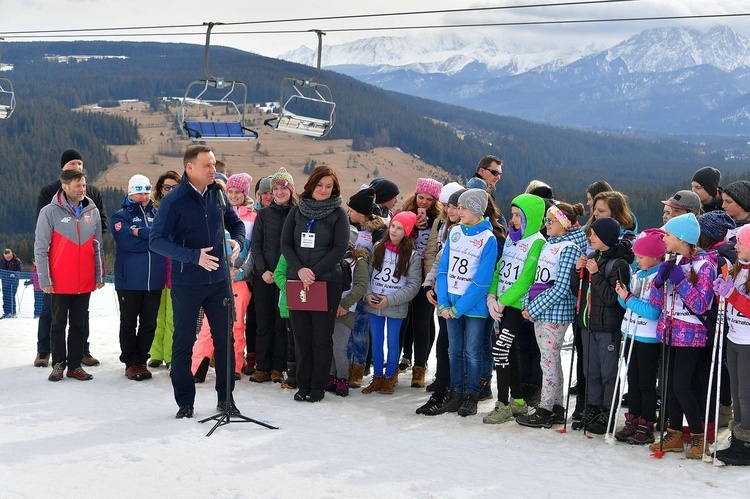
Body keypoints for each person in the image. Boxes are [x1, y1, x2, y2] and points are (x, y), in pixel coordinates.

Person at [150, 145, 245, 419]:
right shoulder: (173, 200)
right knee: (183, 341)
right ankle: (185, 402)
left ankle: (226, 400)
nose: (213, 170)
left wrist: (237, 242)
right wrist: (193, 257)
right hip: (187, 282)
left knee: (224, 340)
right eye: (207, 166)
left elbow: (236, 225)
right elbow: (156, 240)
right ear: (189, 168)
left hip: (219, 282)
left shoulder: (218, 194)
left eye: (214, 164)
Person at [648, 213, 716, 459]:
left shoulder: (704, 265)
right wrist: (657, 282)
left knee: (682, 386)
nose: (663, 238)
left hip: (690, 334)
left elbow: (701, 304)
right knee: (668, 385)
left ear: (682, 238)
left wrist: (680, 282)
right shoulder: (671, 259)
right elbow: (656, 303)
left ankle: (698, 436)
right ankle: (674, 431)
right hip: (668, 330)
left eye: (668, 234)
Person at [281, 165, 349, 403]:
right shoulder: (297, 212)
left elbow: (340, 248)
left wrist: (314, 272)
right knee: (301, 336)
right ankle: (303, 384)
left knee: (321, 337)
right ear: (311, 185)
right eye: (320, 185)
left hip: (326, 282)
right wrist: (300, 270)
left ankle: (318, 386)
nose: (323, 190)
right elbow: (286, 244)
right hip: (298, 281)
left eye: (329, 186)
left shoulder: (339, 214)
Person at [516, 202, 587, 428]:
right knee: (548, 361)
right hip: (541, 311)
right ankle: (555, 406)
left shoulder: (569, 248)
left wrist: (534, 309)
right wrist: (528, 304)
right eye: (545, 220)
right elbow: (536, 279)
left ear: (564, 224)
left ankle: (546, 408)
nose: (546, 224)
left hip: (555, 313)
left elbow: (562, 287)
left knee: (548, 362)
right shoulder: (549, 244)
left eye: (550, 221)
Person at [35, 148, 107, 368]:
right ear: (63, 170)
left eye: (80, 163)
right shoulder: (49, 193)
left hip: (82, 268)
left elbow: (99, 225)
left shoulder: (92, 194)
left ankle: (81, 353)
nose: (77, 167)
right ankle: (44, 351)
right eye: (72, 164)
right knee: (52, 314)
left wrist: (86, 244)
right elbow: (43, 234)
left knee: (79, 317)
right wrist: (45, 275)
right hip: (59, 269)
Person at [484, 193, 546, 424]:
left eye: (519, 215)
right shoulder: (511, 238)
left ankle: (503, 403)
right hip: (502, 303)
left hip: (517, 305)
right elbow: (500, 268)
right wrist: (492, 295)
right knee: (508, 351)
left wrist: (502, 301)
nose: (513, 219)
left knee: (500, 350)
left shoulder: (537, 242)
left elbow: (526, 280)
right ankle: (518, 401)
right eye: (512, 214)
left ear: (530, 217)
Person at [436, 189, 498, 417]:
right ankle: (457, 393)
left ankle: (472, 394)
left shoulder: (488, 239)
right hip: (449, 304)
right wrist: (443, 303)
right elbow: (443, 269)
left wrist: (457, 308)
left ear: (476, 209)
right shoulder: (454, 232)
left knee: (472, 351)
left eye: (463, 207)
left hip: (473, 307)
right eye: (458, 207)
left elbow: (482, 281)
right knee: (455, 351)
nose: (458, 211)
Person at [571, 217, 634, 434]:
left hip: (608, 328)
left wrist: (595, 274)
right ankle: (593, 407)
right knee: (591, 372)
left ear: (607, 237)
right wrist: (576, 271)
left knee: (608, 373)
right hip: (588, 324)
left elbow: (611, 298)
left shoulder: (619, 264)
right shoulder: (591, 257)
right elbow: (576, 291)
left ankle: (608, 409)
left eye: (595, 235)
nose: (591, 237)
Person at [192, 173, 254, 382]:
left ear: (245, 194)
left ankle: (234, 366)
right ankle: (198, 366)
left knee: (236, 325)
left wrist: (241, 271)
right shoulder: (215, 212)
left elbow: (254, 249)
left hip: (240, 278)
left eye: (238, 192)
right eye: (230, 192)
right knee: (209, 324)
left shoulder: (253, 217)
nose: (234, 195)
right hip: (216, 276)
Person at [613, 228, 666, 444]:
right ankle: (632, 419)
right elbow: (627, 305)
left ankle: (646, 422)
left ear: (655, 256)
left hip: (647, 337)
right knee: (632, 381)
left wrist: (629, 298)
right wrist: (622, 295)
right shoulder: (638, 274)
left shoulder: (658, 277)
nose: (638, 259)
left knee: (645, 382)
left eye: (641, 256)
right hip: (631, 332)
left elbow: (653, 312)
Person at [112, 174, 166, 381]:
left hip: (154, 280)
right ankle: (130, 362)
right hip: (129, 280)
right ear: (130, 193)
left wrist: (141, 233)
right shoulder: (121, 216)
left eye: (145, 192)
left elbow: (165, 237)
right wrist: (153, 240)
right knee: (128, 322)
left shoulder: (158, 213)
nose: (143, 196)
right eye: (138, 193)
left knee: (149, 323)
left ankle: (142, 360)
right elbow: (127, 243)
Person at [361, 211, 422, 395]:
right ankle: (377, 377)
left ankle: (389, 378)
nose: (394, 231)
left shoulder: (412, 256)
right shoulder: (378, 247)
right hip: (374, 303)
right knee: (377, 340)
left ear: (408, 232)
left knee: (393, 342)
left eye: (400, 228)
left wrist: (390, 300)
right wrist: (367, 294)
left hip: (395, 306)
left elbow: (413, 285)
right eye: (393, 226)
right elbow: (368, 274)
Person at [250, 167, 297, 384]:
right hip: (264, 277)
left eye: (283, 188)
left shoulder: (296, 214)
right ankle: (263, 366)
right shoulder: (264, 214)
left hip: (286, 278)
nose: (278, 192)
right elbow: (256, 245)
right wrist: (262, 271)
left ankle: (278, 367)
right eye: (275, 188)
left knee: (282, 324)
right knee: (263, 323)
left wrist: (285, 273)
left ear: (291, 190)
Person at [398, 178, 442, 386]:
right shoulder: (404, 215)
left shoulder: (439, 220)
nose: (423, 202)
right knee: (402, 321)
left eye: (429, 199)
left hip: (426, 275)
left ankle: (420, 367)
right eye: (420, 197)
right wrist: (412, 227)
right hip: (405, 275)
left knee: (422, 322)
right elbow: (395, 240)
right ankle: (397, 363)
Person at [712, 224, 750, 465]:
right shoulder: (738, 269)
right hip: (733, 338)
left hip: (747, 341)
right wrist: (720, 292)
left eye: (740, 242)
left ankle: (746, 442)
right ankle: (739, 436)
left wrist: (731, 295)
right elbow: (727, 302)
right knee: (736, 393)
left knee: (746, 395)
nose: (735, 246)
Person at [345, 186, 386, 387]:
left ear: (362, 213)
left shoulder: (378, 231)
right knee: (346, 328)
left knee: (361, 329)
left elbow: (380, 258)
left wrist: (362, 255)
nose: (348, 213)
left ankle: (358, 369)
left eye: (352, 210)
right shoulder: (347, 225)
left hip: (366, 286)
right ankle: (345, 366)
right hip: (347, 285)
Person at [327, 226, 369, 397]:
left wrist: (344, 304)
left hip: (345, 310)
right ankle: (332, 375)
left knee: (339, 346)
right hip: (327, 307)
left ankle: (343, 377)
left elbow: (360, 287)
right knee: (328, 345)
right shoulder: (328, 258)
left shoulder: (358, 261)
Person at [148, 170, 181, 369]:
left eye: (174, 187)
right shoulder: (153, 210)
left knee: (173, 318)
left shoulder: (181, 209)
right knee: (157, 314)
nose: (169, 191)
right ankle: (156, 353)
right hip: (157, 269)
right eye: (166, 187)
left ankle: (170, 355)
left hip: (176, 269)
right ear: (160, 190)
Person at [1, 249, 22, 318]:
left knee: (11, 297)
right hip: (5, 282)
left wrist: (15, 274)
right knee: (5, 297)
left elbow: (20, 270)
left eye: (9, 257)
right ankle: (6, 312)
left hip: (13, 282)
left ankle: (13, 312)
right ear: (4, 255)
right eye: (7, 257)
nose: (8, 258)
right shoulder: (2, 261)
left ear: (11, 254)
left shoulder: (17, 261)